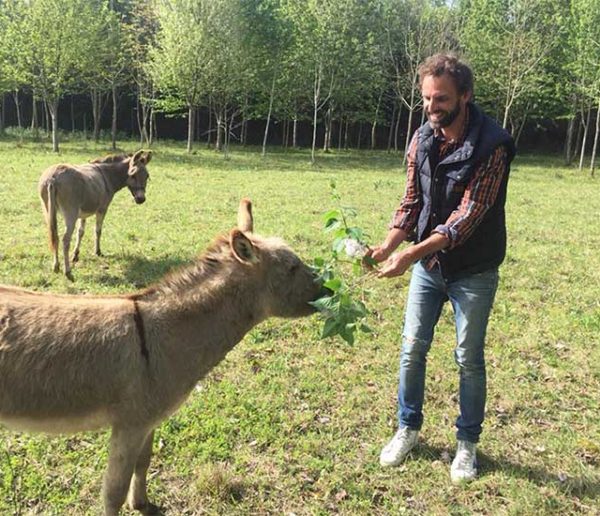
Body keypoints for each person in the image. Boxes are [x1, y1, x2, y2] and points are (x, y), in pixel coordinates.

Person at [366, 53, 516, 483]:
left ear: (465, 96)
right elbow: (412, 201)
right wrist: (387, 245)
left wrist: (408, 255)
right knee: (412, 347)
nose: (432, 107)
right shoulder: (421, 137)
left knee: (468, 358)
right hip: (428, 266)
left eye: (442, 99)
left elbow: (463, 221)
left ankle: (467, 444)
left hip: (474, 269)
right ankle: (407, 428)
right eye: (427, 99)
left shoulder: (493, 146)